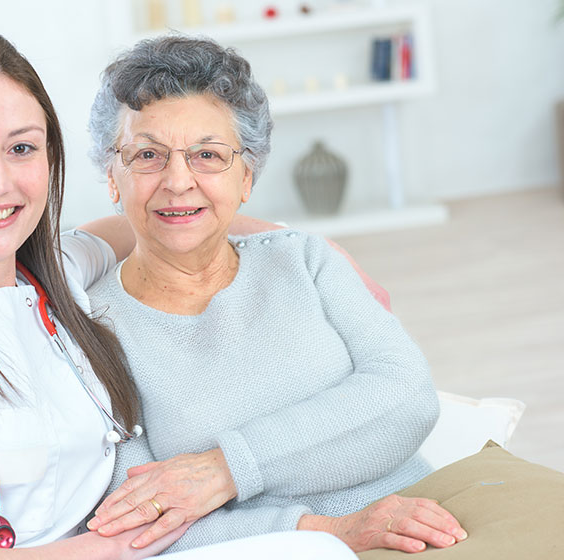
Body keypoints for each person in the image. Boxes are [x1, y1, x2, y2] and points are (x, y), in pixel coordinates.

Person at [0, 29, 356, 560]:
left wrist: (302, 244)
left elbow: (149, 221)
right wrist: (107, 549)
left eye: (22, 148)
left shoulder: (46, 274)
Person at [82, 35, 468, 556]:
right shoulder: (92, 329)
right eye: (147, 154)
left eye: (208, 155)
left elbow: (408, 397)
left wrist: (227, 470)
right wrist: (333, 532)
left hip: (429, 525)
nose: (178, 180)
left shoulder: (304, 258)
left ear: (247, 176)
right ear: (112, 175)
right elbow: (137, 522)